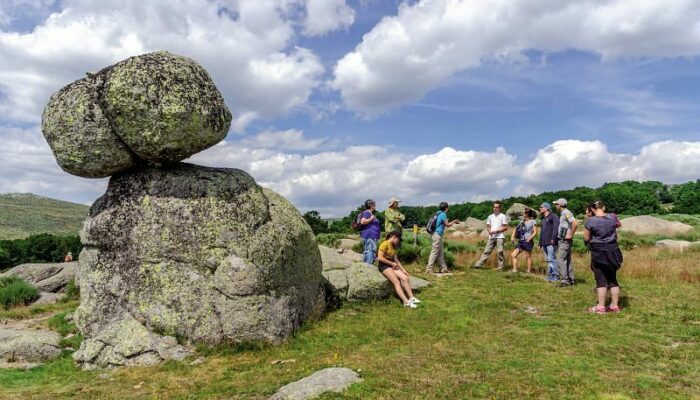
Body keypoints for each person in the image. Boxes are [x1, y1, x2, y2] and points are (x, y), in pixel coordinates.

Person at [584, 200, 623, 314]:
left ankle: (601, 307)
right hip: (613, 251)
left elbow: (586, 237)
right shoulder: (612, 217)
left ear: (592, 209)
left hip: (599, 252)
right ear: (604, 207)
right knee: (612, 279)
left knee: (601, 279)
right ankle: (615, 306)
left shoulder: (591, 221)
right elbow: (619, 225)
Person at [377, 231, 421, 308]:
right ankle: (405, 302)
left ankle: (411, 298)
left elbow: (396, 260)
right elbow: (380, 258)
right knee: (396, 282)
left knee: (405, 278)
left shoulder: (392, 246)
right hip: (384, 265)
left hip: (392, 265)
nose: (398, 241)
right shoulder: (384, 244)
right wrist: (392, 264)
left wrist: (404, 270)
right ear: (394, 237)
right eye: (398, 239)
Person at [426, 202, 460, 274]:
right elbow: (447, 225)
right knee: (434, 251)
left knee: (440, 252)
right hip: (437, 235)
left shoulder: (438, 213)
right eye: (448, 208)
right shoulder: (443, 214)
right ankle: (429, 269)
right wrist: (454, 221)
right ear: (446, 208)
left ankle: (444, 268)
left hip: (436, 234)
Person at [473, 202, 509, 270]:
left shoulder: (503, 216)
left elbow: (505, 227)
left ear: (500, 208)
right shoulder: (490, 216)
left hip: (500, 236)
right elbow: (488, 226)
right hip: (491, 237)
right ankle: (478, 265)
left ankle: (501, 267)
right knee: (486, 251)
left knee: (500, 252)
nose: (495, 208)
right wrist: (489, 231)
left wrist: (496, 231)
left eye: (497, 207)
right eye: (494, 207)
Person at [554, 198, 577, 286]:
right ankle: (570, 279)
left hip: (565, 240)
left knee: (560, 259)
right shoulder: (564, 213)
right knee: (567, 259)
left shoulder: (566, 212)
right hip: (564, 240)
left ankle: (564, 280)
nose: (555, 206)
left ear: (560, 205)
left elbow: (575, 223)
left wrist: (571, 234)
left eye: (556, 204)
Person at [510, 209, 537, 273]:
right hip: (521, 241)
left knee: (528, 257)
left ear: (527, 214)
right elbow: (516, 229)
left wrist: (529, 239)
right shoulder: (522, 221)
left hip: (528, 241)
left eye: (524, 212)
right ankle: (514, 270)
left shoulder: (533, 221)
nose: (523, 213)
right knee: (513, 255)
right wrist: (512, 236)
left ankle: (528, 272)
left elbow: (535, 232)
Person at [539, 202, 559, 282]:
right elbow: (542, 232)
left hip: (551, 242)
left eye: (541, 207)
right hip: (544, 242)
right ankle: (550, 276)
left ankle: (555, 277)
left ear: (546, 208)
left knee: (552, 259)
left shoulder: (553, 216)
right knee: (548, 260)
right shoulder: (543, 219)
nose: (539, 208)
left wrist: (553, 239)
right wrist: (540, 242)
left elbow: (556, 228)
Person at [360, 199, 381, 264]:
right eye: (374, 204)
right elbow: (362, 222)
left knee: (370, 250)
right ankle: (369, 266)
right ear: (370, 205)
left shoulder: (370, 213)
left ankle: (366, 266)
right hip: (369, 235)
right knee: (370, 250)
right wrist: (371, 218)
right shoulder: (367, 212)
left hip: (371, 236)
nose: (375, 206)